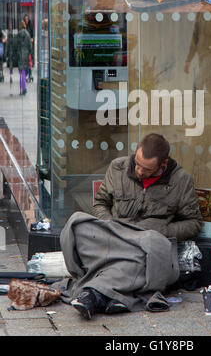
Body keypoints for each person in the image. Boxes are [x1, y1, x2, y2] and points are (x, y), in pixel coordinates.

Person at [58, 133, 202, 320]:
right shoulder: (118, 168)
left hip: (146, 245)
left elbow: (194, 223)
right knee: (76, 223)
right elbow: (100, 203)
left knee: (142, 252)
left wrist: (160, 232)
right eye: (138, 164)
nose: (140, 171)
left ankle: (92, 294)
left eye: (147, 169)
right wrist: (109, 225)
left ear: (163, 164)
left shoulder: (181, 180)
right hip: (115, 236)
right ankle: (116, 296)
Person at [17, 20, 32, 95]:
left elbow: (16, 44)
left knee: (21, 72)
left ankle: (23, 87)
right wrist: (30, 53)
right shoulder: (27, 34)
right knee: (24, 71)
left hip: (20, 54)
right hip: (26, 54)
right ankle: (23, 87)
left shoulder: (19, 34)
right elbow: (30, 45)